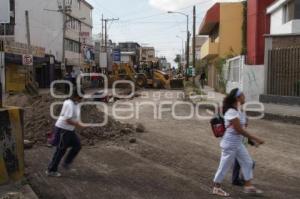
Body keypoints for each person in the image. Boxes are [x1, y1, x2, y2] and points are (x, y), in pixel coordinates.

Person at [212, 88, 265, 197]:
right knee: (224, 166)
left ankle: (248, 186)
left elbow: (242, 129)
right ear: (237, 98)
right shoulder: (231, 112)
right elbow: (239, 130)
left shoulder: (239, 111)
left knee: (248, 162)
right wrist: (256, 138)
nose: (244, 97)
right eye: (243, 95)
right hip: (230, 144)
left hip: (237, 143)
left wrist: (251, 141)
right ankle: (216, 188)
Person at [46, 89, 85, 177]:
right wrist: (79, 125)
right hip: (63, 130)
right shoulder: (69, 104)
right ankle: (51, 170)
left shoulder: (75, 103)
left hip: (69, 130)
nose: (82, 99)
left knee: (77, 146)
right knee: (60, 150)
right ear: (76, 96)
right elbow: (68, 120)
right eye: (81, 97)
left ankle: (66, 163)